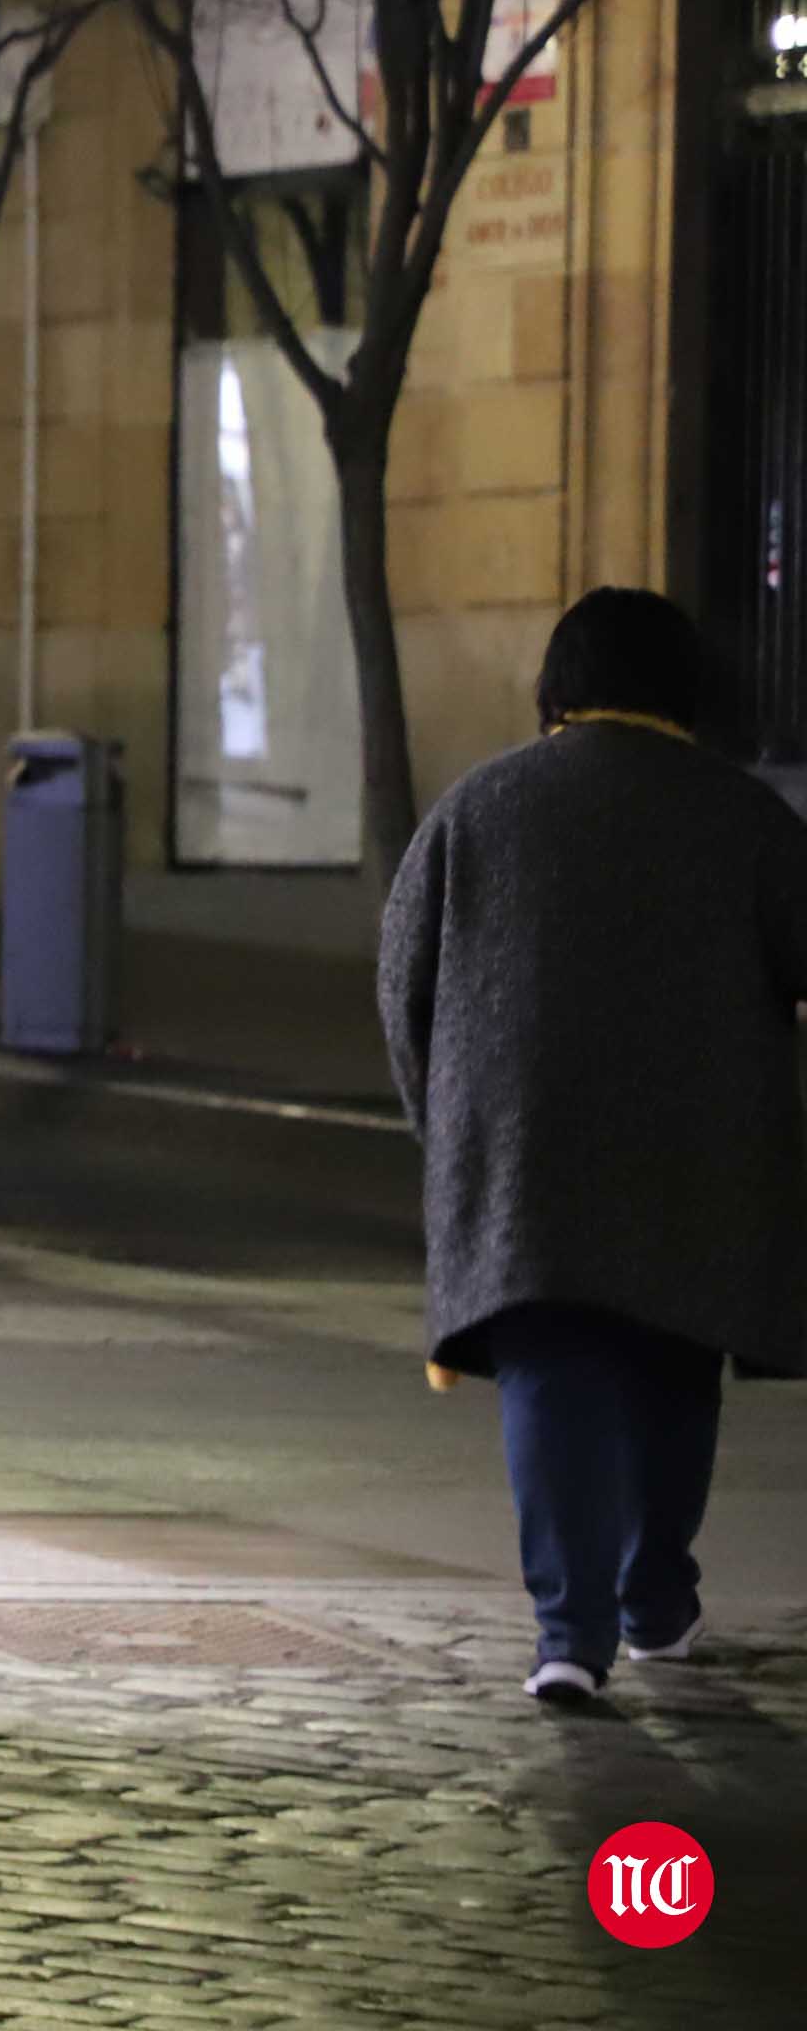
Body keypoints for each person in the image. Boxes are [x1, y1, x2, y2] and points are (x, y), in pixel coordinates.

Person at [379, 586, 807, 1708]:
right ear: (684, 692)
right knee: (671, 1365)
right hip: (700, 1154)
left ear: (554, 690)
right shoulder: (745, 816)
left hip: (524, 1153)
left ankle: (565, 1634)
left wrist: (448, 1136)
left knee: (550, 1362)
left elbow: (401, 983)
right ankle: (653, 1598)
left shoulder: (474, 808)